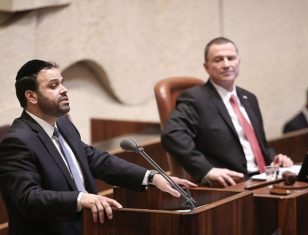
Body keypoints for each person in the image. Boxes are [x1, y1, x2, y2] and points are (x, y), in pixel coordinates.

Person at [0, 59, 196, 235]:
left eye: (62, 82)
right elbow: (28, 198)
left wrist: (152, 177)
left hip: (90, 227)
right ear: (31, 96)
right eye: (53, 85)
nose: (64, 89)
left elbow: (95, 159)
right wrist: (81, 199)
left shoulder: (63, 125)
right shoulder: (17, 141)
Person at [161, 37, 293, 187]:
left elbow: (259, 146)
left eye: (231, 58)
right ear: (206, 67)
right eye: (218, 60)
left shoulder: (249, 98)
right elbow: (171, 136)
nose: (226, 64)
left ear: (238, 62)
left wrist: (275, 159)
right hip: (233, 184)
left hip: (265, 178)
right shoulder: (196, 99)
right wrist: (207, 170)